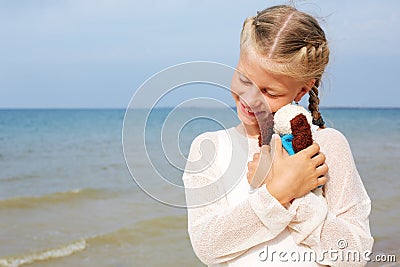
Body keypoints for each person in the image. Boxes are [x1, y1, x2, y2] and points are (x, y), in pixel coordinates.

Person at [182, 5, 373, 267]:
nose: (250, 98)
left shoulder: (329, 145)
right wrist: (277, 192)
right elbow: (208, 245)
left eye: (269, 92)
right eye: (244, 79)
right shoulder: (209, 147)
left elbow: (356, 252)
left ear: (302, 90)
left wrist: (298, 200)